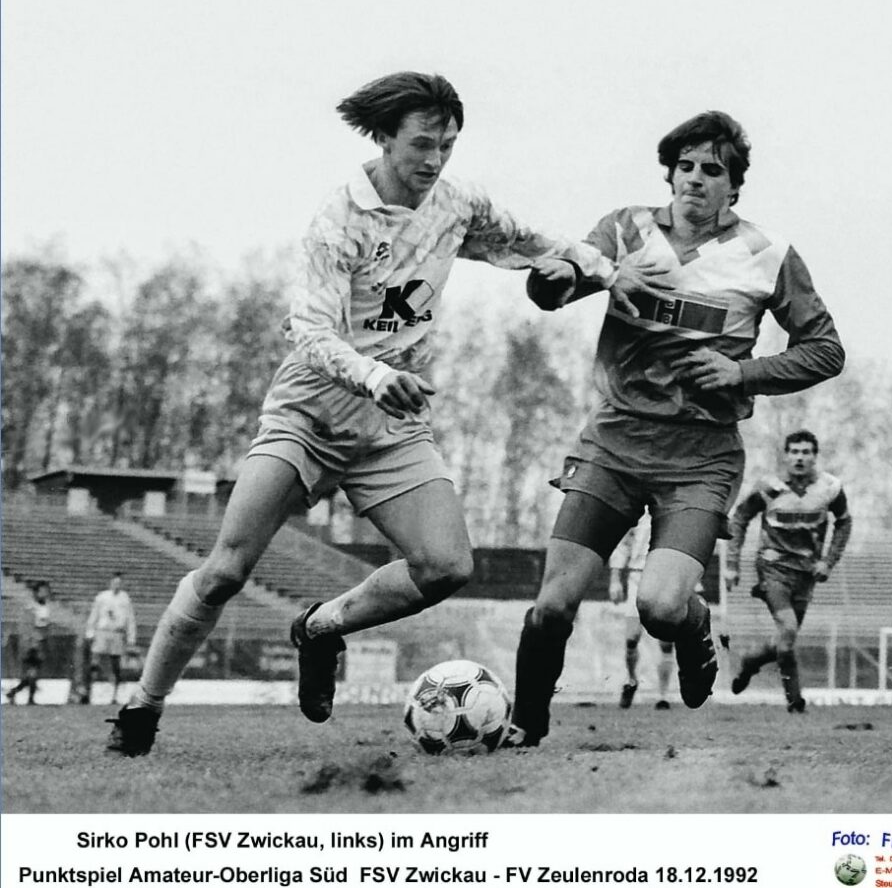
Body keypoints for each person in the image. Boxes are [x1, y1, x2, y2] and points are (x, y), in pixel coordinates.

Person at [106, 71, 669, 756]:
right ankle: (142, 708)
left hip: (392, 425)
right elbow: (309, 332)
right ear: (383, 138)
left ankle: (320, 628)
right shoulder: (338, 221)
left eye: (447, 146)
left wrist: (604, 271)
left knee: (446, 566)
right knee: (225, 571)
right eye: (422, 144)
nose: (435, 160)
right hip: (309, 416)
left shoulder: (456, 204)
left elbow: (529, 242)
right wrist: (375, 375)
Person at [507, 111, 845, 747]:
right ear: (669, 175)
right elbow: (553, 291)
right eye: (684, 166)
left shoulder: (768, 255)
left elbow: (825, 351)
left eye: (711, 170)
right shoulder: (624, 230)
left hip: (700, 457)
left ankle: (693, 629)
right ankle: (525, 724)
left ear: (734, 187)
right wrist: (557, 280)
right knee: (553, 603)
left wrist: (742, 371)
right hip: (613, 442)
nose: (694, 178)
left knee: (660, 608)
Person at [723, 429, 852, 712]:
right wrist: (732, 564)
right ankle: (795, 701)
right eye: (794, 452)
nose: (799, 458)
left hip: (806, 573)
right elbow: (740, 518)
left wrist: (828, 562)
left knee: (785, 640)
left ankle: (751, 661)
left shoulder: (830, 487)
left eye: (806, 452)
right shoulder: (770, 486)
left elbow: (844, 522)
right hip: (773, 568)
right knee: (789, 629)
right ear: (785, 456)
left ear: (814, 456)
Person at [607, 513, 675, 709]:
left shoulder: (673, 510)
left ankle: (663, 696)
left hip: (665, 578)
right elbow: (622, 545)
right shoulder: (638, 511)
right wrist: (615, 579)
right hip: (637, 577)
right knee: (631, 638)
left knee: (666, 641)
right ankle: (631, 680)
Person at [85, 572, 137, 704]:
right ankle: (89, 693)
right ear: (110, 583)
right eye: (115, 582)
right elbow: (94, 614)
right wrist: (90, 632)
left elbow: (130, 618)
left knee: (115, 665)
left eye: (119, 583)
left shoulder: (125, 598)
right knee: (96, 662)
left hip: (117, 633)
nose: (117, 585)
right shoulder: (102, 597)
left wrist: (131, 637)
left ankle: (114, 695)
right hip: (102, 632)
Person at [6, 582, 52, 705]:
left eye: (46, 591)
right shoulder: (31, 608)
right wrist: (31, 641)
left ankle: (13, 692)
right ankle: (30, 699)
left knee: (33, 672)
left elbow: (45, 626)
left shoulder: (46, 607)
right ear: (36, 593)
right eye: (42, 591)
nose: (45, 593)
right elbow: (26, 626)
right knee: (33, 671)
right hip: (32, 643)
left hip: (40, 642)